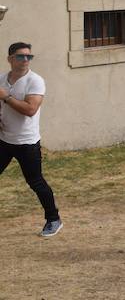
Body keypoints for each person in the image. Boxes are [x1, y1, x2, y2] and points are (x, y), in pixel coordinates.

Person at [0, 42, 61, 237]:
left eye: (29, 56)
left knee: (35, 182)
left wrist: (6, 97)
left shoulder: (35, 81)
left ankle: (53, 219)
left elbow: (30, 110)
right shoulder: (2, 79)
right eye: (20, 56)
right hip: (4, 141)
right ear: (10, 59)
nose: (26, 60)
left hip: (27, 143)